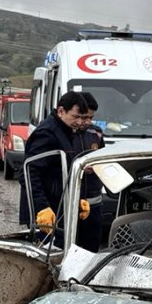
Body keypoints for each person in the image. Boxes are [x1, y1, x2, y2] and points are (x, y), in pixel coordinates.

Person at [19, 91, 92, 246]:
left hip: (60, 208)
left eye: (83, 117)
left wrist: (78, 199)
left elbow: (65, 171)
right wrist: (42, 208)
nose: (80, 122)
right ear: (61, 111)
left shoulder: (66, 132)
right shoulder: (47, 133)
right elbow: (28, 172)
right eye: (76, 116)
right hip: (47, 214)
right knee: (45, 261)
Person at [76, 92, 106, 252]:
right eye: (85, 117)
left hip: (94, 201)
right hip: (73, 200)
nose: (87, 122)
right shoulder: (66, 133)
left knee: (91, 246)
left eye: (91, 118)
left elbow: (103, 157)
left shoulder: (97, 133)